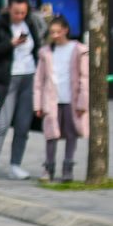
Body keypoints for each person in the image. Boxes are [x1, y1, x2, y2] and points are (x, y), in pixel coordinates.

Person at [0, 0, 41, 182]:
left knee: (23, 125)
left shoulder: (30, 23)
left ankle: (16, 165)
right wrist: (10, 44)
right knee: (1, 124)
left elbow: (37, 47)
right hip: (6, 79)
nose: (20, 16)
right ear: (9, 9)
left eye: (23, 12)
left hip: (28, 76)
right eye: (16, 12)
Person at [34, 15, 89, 181]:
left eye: (58, 31)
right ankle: (48, 168)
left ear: (66, 30)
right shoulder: (46, 52)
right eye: (52, 32)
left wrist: (83, 101)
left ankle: (68, 168)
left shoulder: (79, 49)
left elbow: (84, 77)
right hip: (51, 99)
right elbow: (39, 79)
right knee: (51, 134)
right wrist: (38, 104)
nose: (55, 35)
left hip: (71, 99)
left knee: (71, 133)